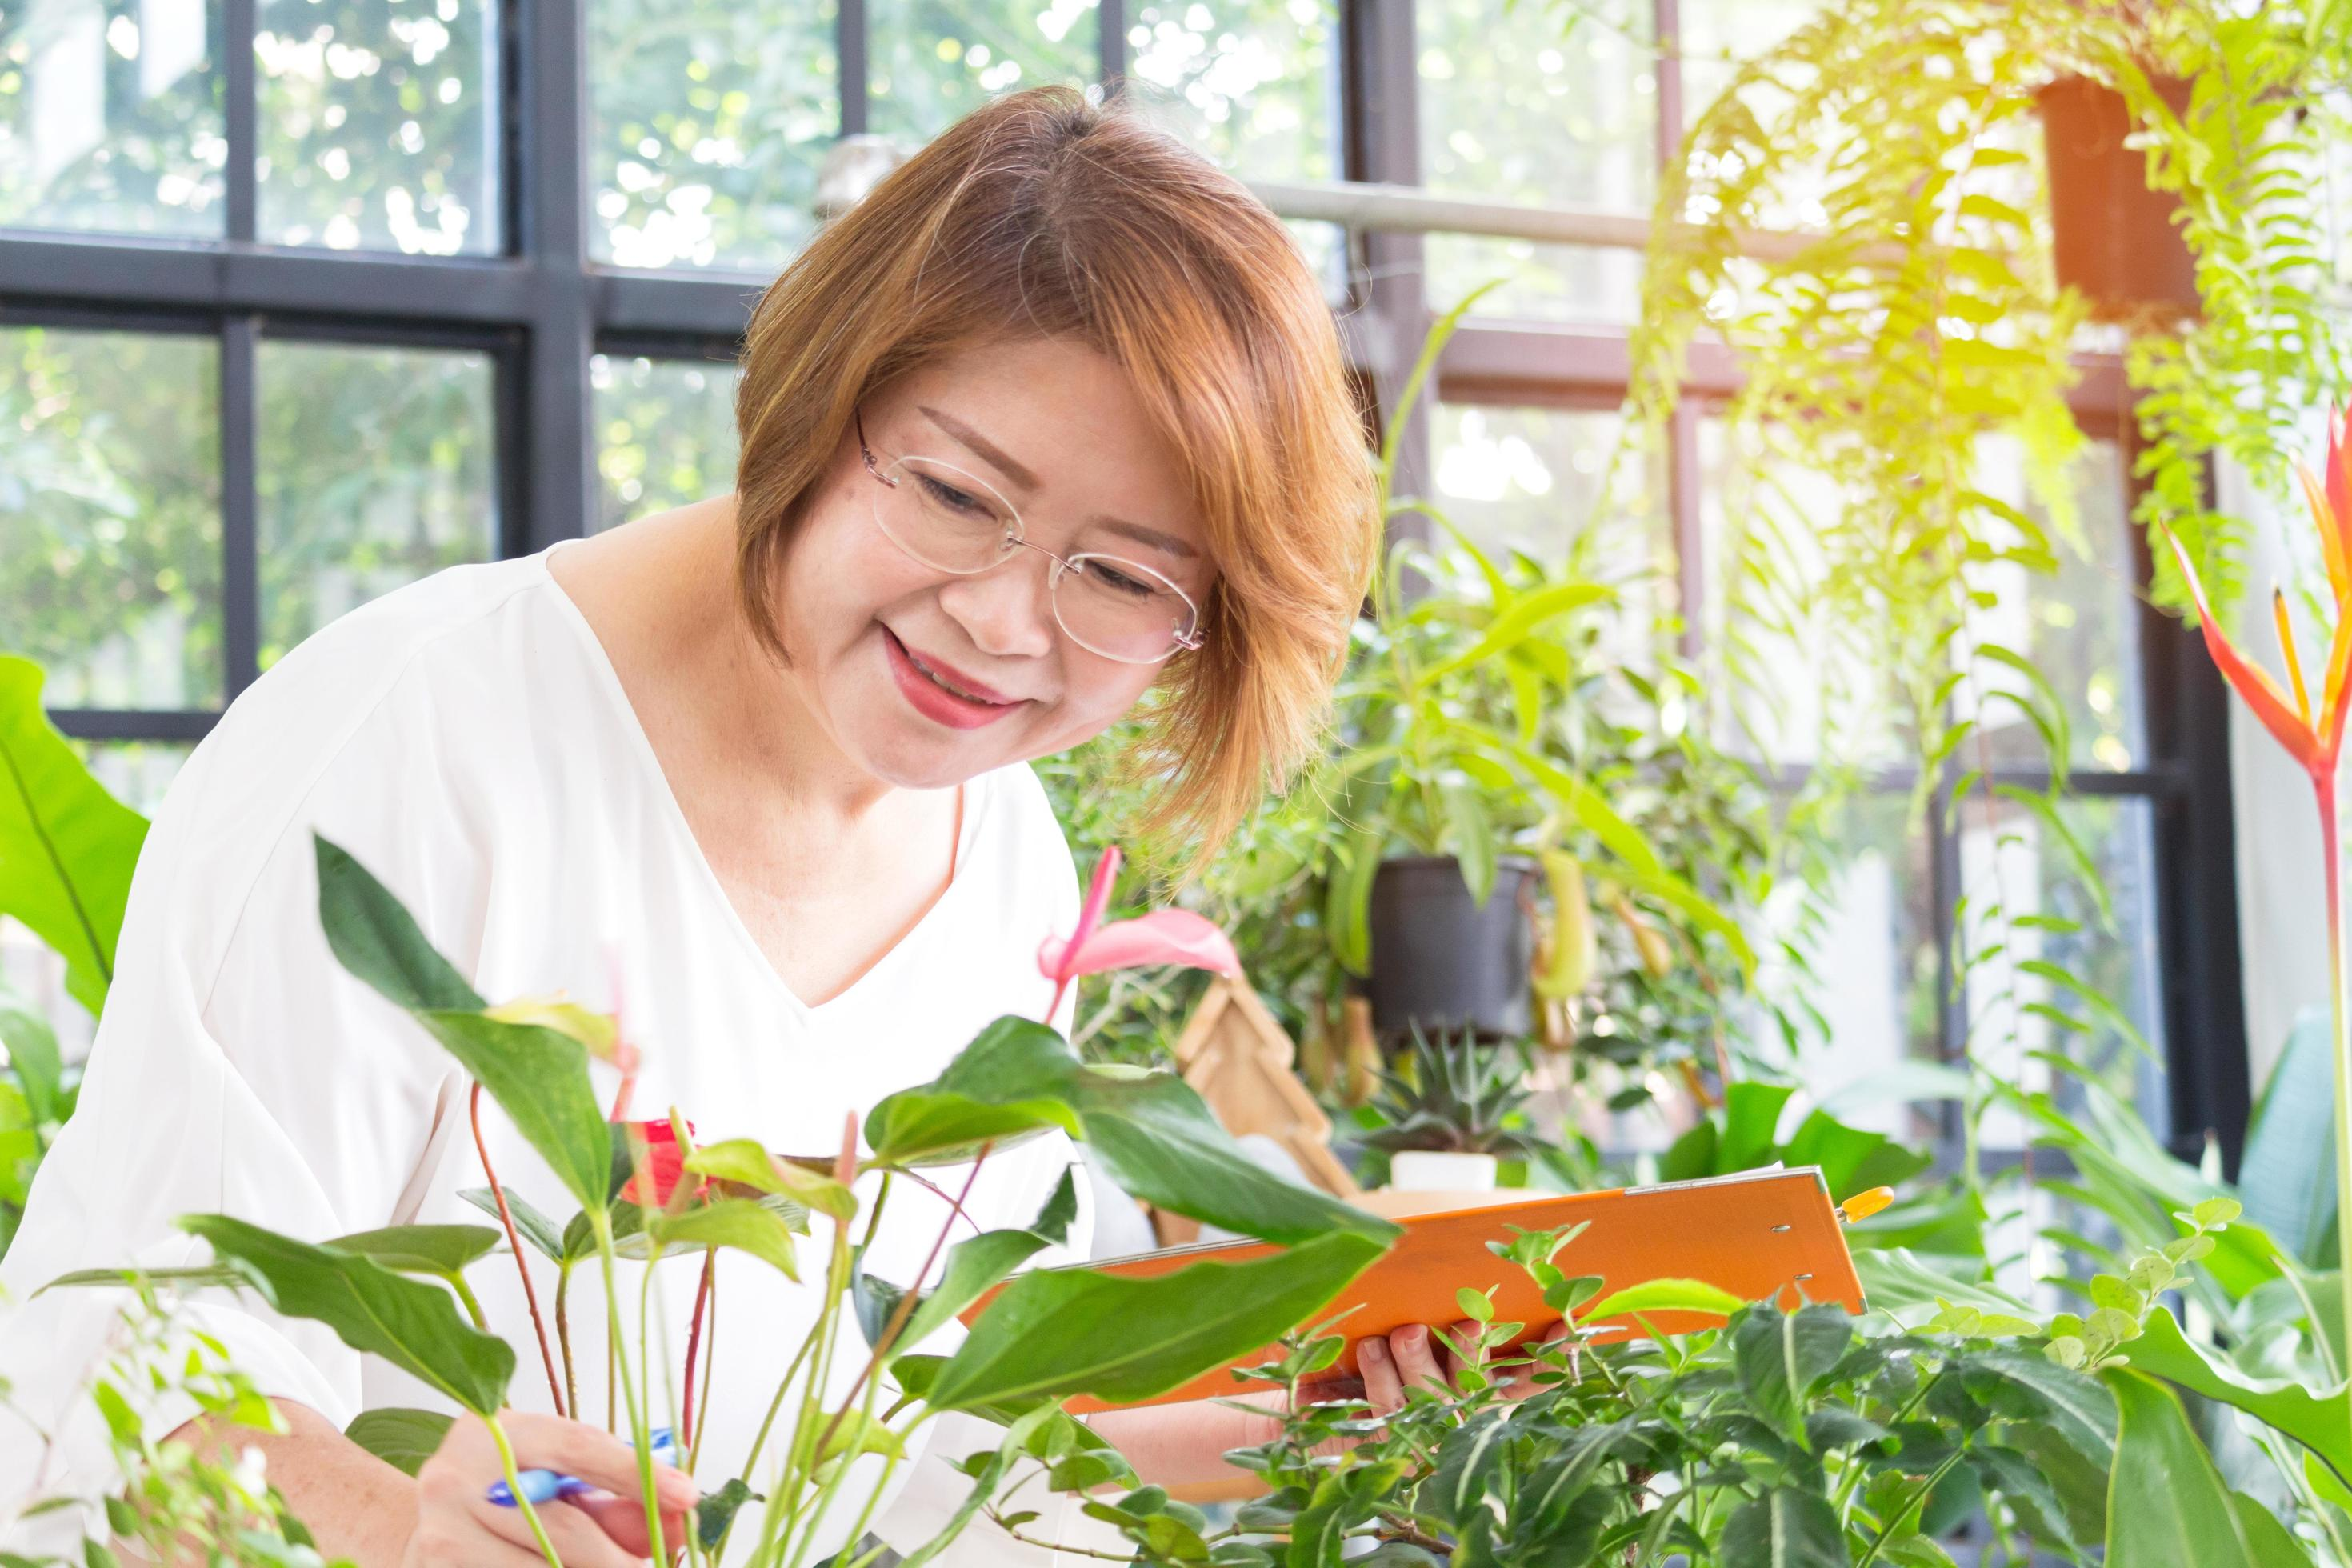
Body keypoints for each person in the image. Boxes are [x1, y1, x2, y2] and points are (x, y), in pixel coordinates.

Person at [0, 85, 1534, 1566]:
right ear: (821, 394)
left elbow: (902, 1446)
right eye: (951, 492)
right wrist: (380, 1517)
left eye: (1127, 581)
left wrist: (1291, 1411)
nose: (1002, 622)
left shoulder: (1003, 861)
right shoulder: (413, 740)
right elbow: (113, 1370)